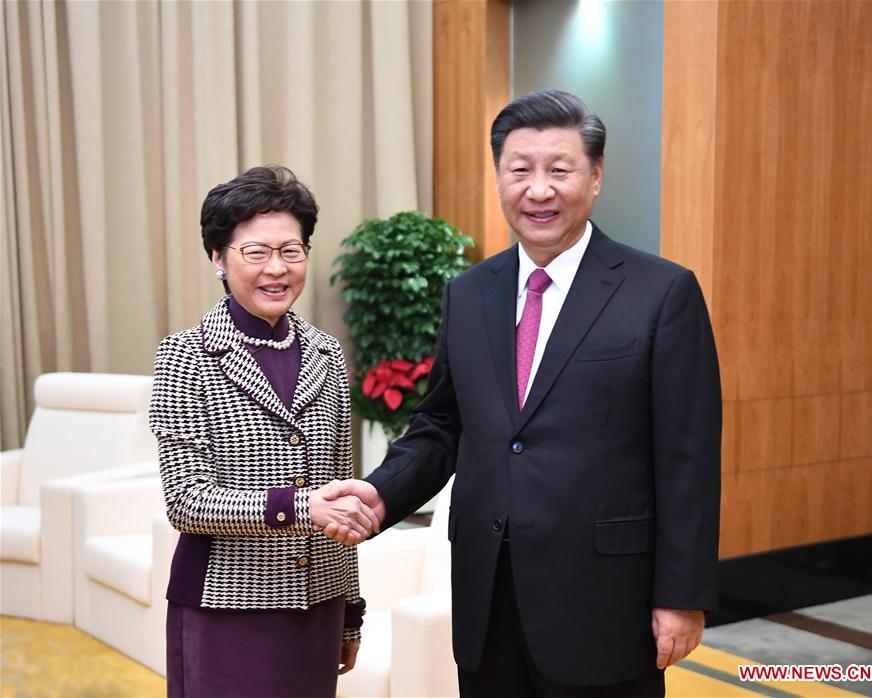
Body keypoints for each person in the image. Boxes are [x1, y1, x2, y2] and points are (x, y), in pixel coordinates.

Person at [322, 90, 722, 697]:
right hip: (489, 598)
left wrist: (682, 596)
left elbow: (689, 456)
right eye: (520, 170)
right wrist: (381, 493)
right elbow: (442, 424)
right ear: (500, 178)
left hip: (606, 601)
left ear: (595, 177)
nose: (539, 189)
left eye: (559, 170)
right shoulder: (468, 292)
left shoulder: (661, 293)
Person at [150, 165, 379, 698]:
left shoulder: (328, 353)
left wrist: (350, 612)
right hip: (226, 606)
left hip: (317, 604)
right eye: (255, 252)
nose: (277, 268)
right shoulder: (184, 355)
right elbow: (186, 502)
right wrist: (302, 508)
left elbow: (341, 491)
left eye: (291, 251)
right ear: (218, 259)